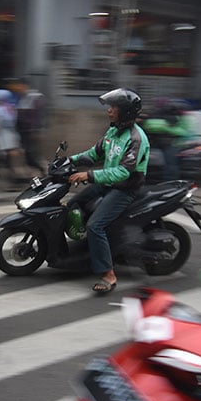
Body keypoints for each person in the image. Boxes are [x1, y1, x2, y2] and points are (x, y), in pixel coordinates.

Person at [68, 88, 150, 294]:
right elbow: (95, 153)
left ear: (126, 112)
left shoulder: (136, 138)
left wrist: (89, 175)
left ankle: (108, 274)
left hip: (125, 189)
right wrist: (70, 160)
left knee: (96, 225)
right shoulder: (113, 131)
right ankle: (87, 248)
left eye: (114, 107)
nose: (109, 111)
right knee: (72, 205)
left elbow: (123, 172)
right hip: (107, 184)